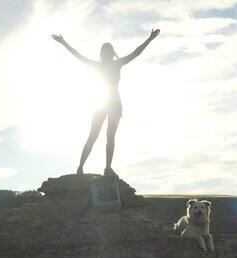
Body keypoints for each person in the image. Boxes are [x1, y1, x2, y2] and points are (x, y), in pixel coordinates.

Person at [52, 29, 160, 177]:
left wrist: (150, 39)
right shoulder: (101, 65)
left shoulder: (116, 63)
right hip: (102, 103)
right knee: (93, 136)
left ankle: (107, 168)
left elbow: (136, 52)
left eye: (107, 52)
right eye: (103, 52)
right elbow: (79, 56)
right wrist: (64, 43)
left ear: (110, 53)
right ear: (102, 54)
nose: (105, 54)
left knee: (110, 136)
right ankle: (80, 167)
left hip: (113, 104)